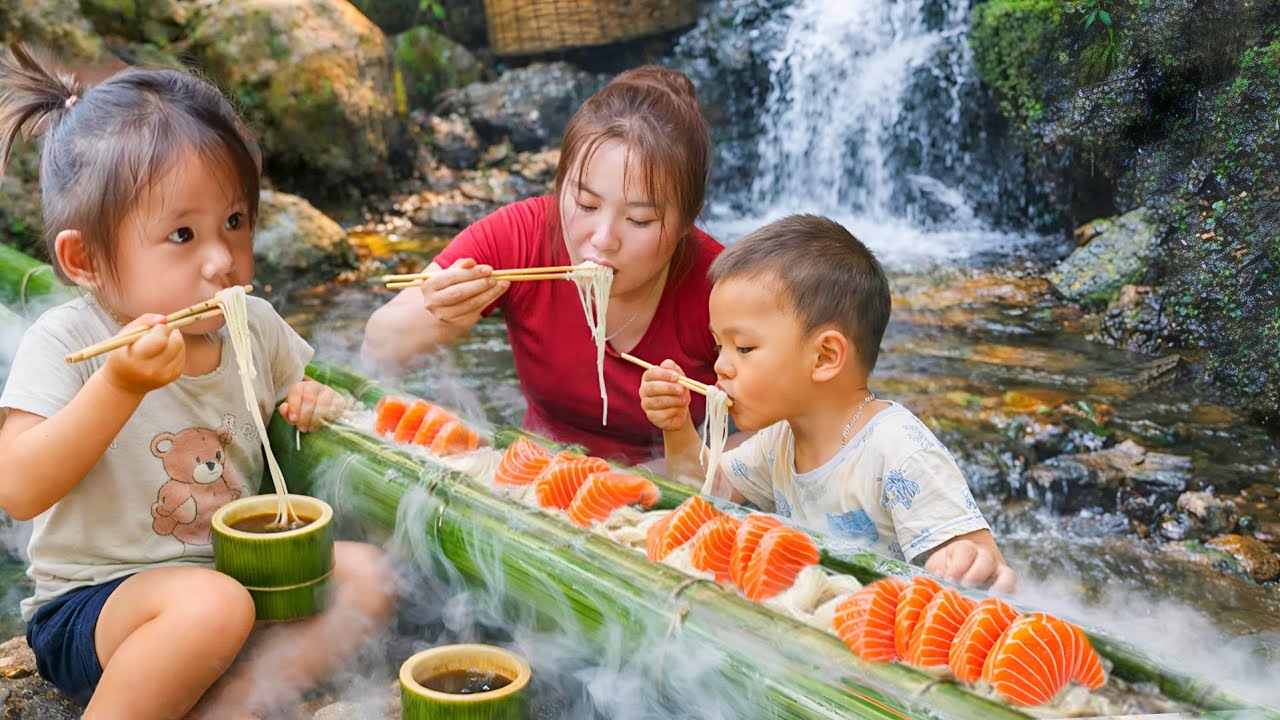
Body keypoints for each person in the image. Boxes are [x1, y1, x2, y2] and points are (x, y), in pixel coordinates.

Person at [0, 45, 395, 719]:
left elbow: (310, 408)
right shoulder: (72, 343)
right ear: (85, 258)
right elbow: (19, 486)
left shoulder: (258, 329)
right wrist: (119, 387)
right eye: (182, 234)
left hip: (232, 585)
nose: (223, 260)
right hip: (97, 608)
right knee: (213, 605)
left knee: (368, 576)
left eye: (235, 222)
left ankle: (236, 705)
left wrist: (316, 402)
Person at [363, 65, 724, 465]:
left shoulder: (722, 286)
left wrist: (655, 478)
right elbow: (378, 348)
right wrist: (439, 310)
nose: (603, 238)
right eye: (586, 204)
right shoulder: (522, 236)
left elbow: (774, 435)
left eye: (639, 220)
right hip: (534, 477)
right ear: (561, 184)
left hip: (671, 496)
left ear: (686, 222)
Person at [639, 215, 1015, 591]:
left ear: (824, 357)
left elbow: (985, 570)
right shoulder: (780, 441)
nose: (720, 365)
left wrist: (969, 563)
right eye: (720, 346)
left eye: (744, 348)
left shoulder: (897, 450)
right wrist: (676, 426)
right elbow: (708, 491)